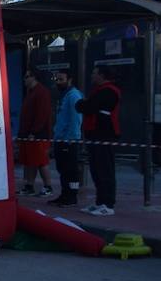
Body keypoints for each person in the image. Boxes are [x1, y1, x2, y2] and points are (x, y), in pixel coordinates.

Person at [77, 65, 122, 216]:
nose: (92, 76)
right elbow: (86, 106)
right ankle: (99, 201)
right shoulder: (97, 91)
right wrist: (85, 105)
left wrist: (85, 104)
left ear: (102, 76)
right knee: (96, 170)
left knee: (105, 170)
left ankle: (108, 204)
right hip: (94, 135)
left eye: (94, 73)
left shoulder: (109, 91)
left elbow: (89, 106)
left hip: (104, 136)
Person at [48, 69, 83, 207]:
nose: (58, 82)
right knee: (63, 169)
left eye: (61, 79)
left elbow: (76, 119)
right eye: (57, 79)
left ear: (69, 80)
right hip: (61, 139)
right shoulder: (64, 95)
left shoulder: (73, 96)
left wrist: (70, 139)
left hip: (68, 140)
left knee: (70, 169)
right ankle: (65, 194)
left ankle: (71, 196)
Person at [17, 69, 54, 197]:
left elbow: (42, 114)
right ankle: (29, 186)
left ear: (34, 77)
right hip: (28, 134)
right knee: (30, 161)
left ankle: (48, 186)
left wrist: (34, 132)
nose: (24, 79)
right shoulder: (31, 93)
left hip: (37, 135)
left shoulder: (42, 92)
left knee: (41, 161)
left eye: (27, 76)